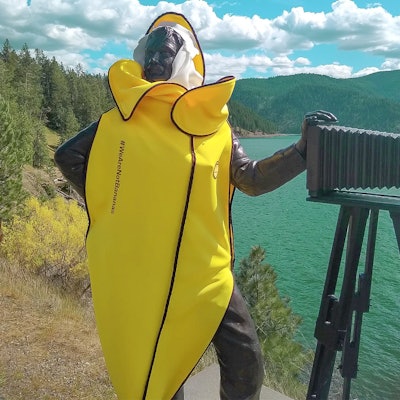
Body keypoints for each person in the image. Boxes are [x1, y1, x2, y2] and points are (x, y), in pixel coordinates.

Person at [54, 12, 336, 400]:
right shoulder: (121, 120)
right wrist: (122, 211)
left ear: (184, 60)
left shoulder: (212, 123)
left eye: (164, 53)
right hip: (149, 267)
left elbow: (250, 177)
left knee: (246, 358)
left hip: (205, 270)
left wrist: (302, 151)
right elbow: (68, 156)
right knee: (160, 361)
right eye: (149, 53)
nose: (154, 61)